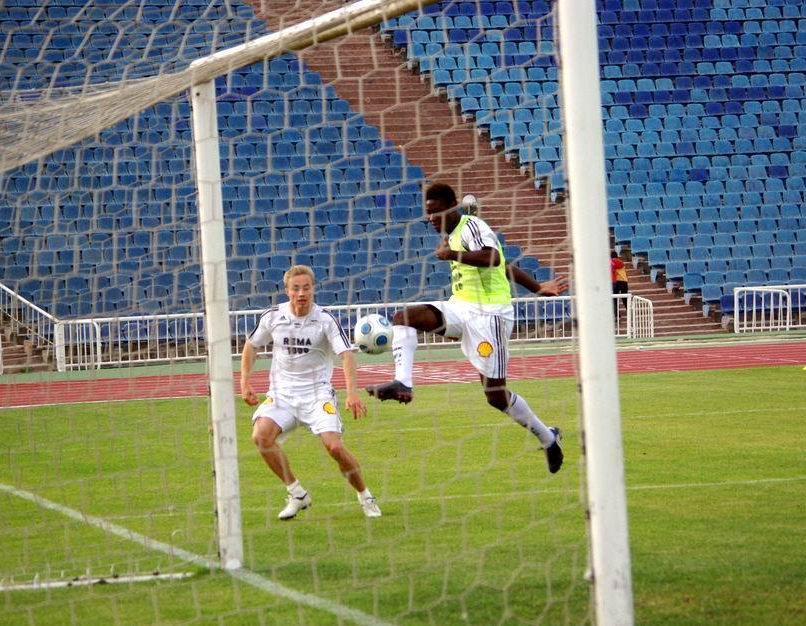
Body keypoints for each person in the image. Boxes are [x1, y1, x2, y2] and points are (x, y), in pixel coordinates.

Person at [365, 182, 570, 474]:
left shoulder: (472, 226)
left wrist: (452, 255)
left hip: (491, 316)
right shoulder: (453, 235)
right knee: (403, 317)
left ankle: (549, 438)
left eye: (436, 211)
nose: (431, 218)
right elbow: (504, 265)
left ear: (452, 207)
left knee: (495, 396)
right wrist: (537, 287)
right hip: (461, 308)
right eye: (428, 213)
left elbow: (493, 258)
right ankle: (403, 383)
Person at [241, 265, 382, 520]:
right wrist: (245, 381)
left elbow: (347, 355)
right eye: (296, 288)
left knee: (334, 447)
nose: (301, 293)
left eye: (306, 288)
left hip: (318, 395)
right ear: (287, 290)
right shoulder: (273, 316)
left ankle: (365, 496)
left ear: (313, 289)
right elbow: (251, 346)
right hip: (282, 395)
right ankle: (297, 494)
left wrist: (352, 393)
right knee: (261, 437)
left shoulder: (325, 319)